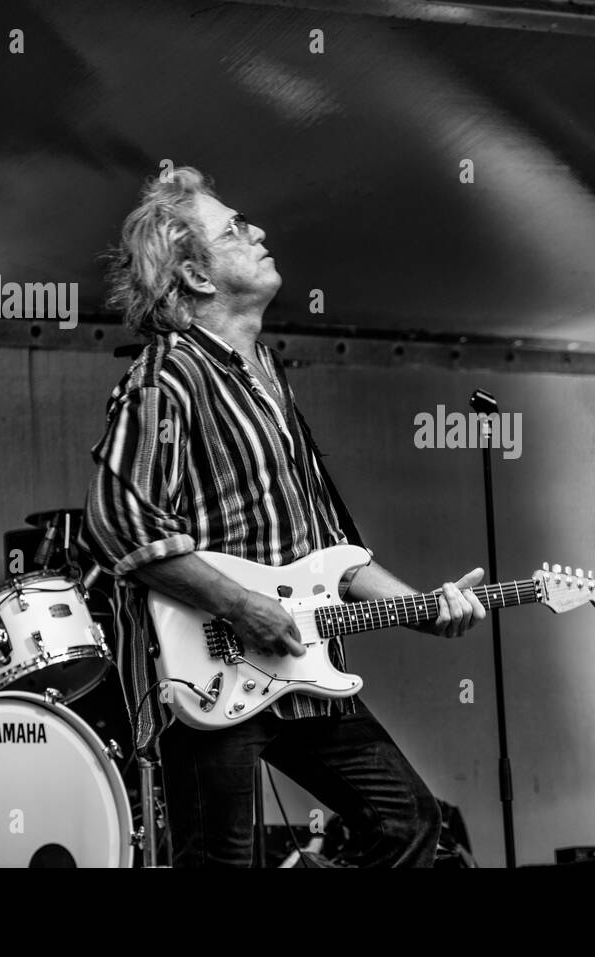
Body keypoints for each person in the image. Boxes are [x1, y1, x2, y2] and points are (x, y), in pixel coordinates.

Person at [83, 167, 486, 868]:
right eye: (235, 229)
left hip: (300, 667)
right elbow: (121, 520)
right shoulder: (166, 374)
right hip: (209, 676)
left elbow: (333, 549)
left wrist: (424, 608)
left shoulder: (269, 373)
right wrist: (241, 607)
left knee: (409, 823)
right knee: (220, 861)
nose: (259, 232)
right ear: (196, 276)